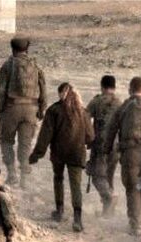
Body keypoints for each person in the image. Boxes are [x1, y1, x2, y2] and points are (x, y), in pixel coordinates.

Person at [104, 77, 141, 235]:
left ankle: (136, 225)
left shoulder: (123, 108)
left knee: (133, 189)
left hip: (130, 155)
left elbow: (111, 131)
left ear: (130, 91)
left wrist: (107, 150)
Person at [30, 83, 94, 232]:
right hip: (77, 153)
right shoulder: (83, 112)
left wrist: (37, 154)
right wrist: (86, 144)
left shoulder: (54, 110)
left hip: (59, 152)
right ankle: (77, 219)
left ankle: (59, 211)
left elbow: (45, 136)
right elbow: (90, 136)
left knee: (58, 179)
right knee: (75, 185)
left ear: (60, 94)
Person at [0, 36, 47, 187]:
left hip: (12, 108)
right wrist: (42, 109)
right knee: (25, 144)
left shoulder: (8, 65)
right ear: (27, 49)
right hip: (31, 109)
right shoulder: (36, 66)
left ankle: (12, 174)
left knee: (6, 141)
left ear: (12, 49)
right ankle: (24, 179)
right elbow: (43, 90)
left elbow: (1, 90)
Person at [86, 75, 122, 217]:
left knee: (97, 177)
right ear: (114, 87)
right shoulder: (120, 103)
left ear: (102, 87)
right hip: (116, 146)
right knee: (109, 177)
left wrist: (89, 138)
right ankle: (108, 212)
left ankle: (109, 198)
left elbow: (85, 119)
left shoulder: (96, 101)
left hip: (101, 144)